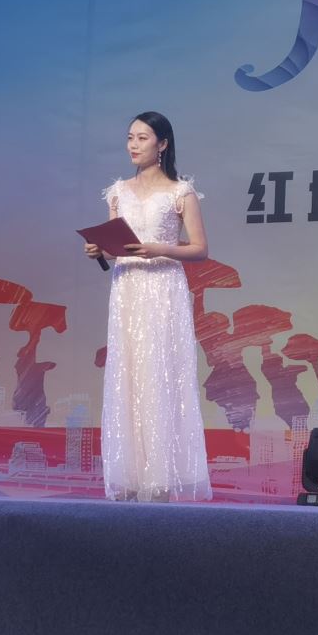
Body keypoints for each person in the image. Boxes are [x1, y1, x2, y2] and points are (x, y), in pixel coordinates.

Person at [84, 111, 213, 503]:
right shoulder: (118, 191)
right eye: (130, 137)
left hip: (162, 289)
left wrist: (159, 249)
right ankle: (128, 478)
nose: (133, 145)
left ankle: (159, 481)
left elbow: (200, 249)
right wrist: (99, 251)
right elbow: (116, 246)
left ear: (163, 144)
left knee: (160, 377)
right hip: (127, 288)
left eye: (142, 138)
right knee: (127, 376)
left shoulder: (181, 192)